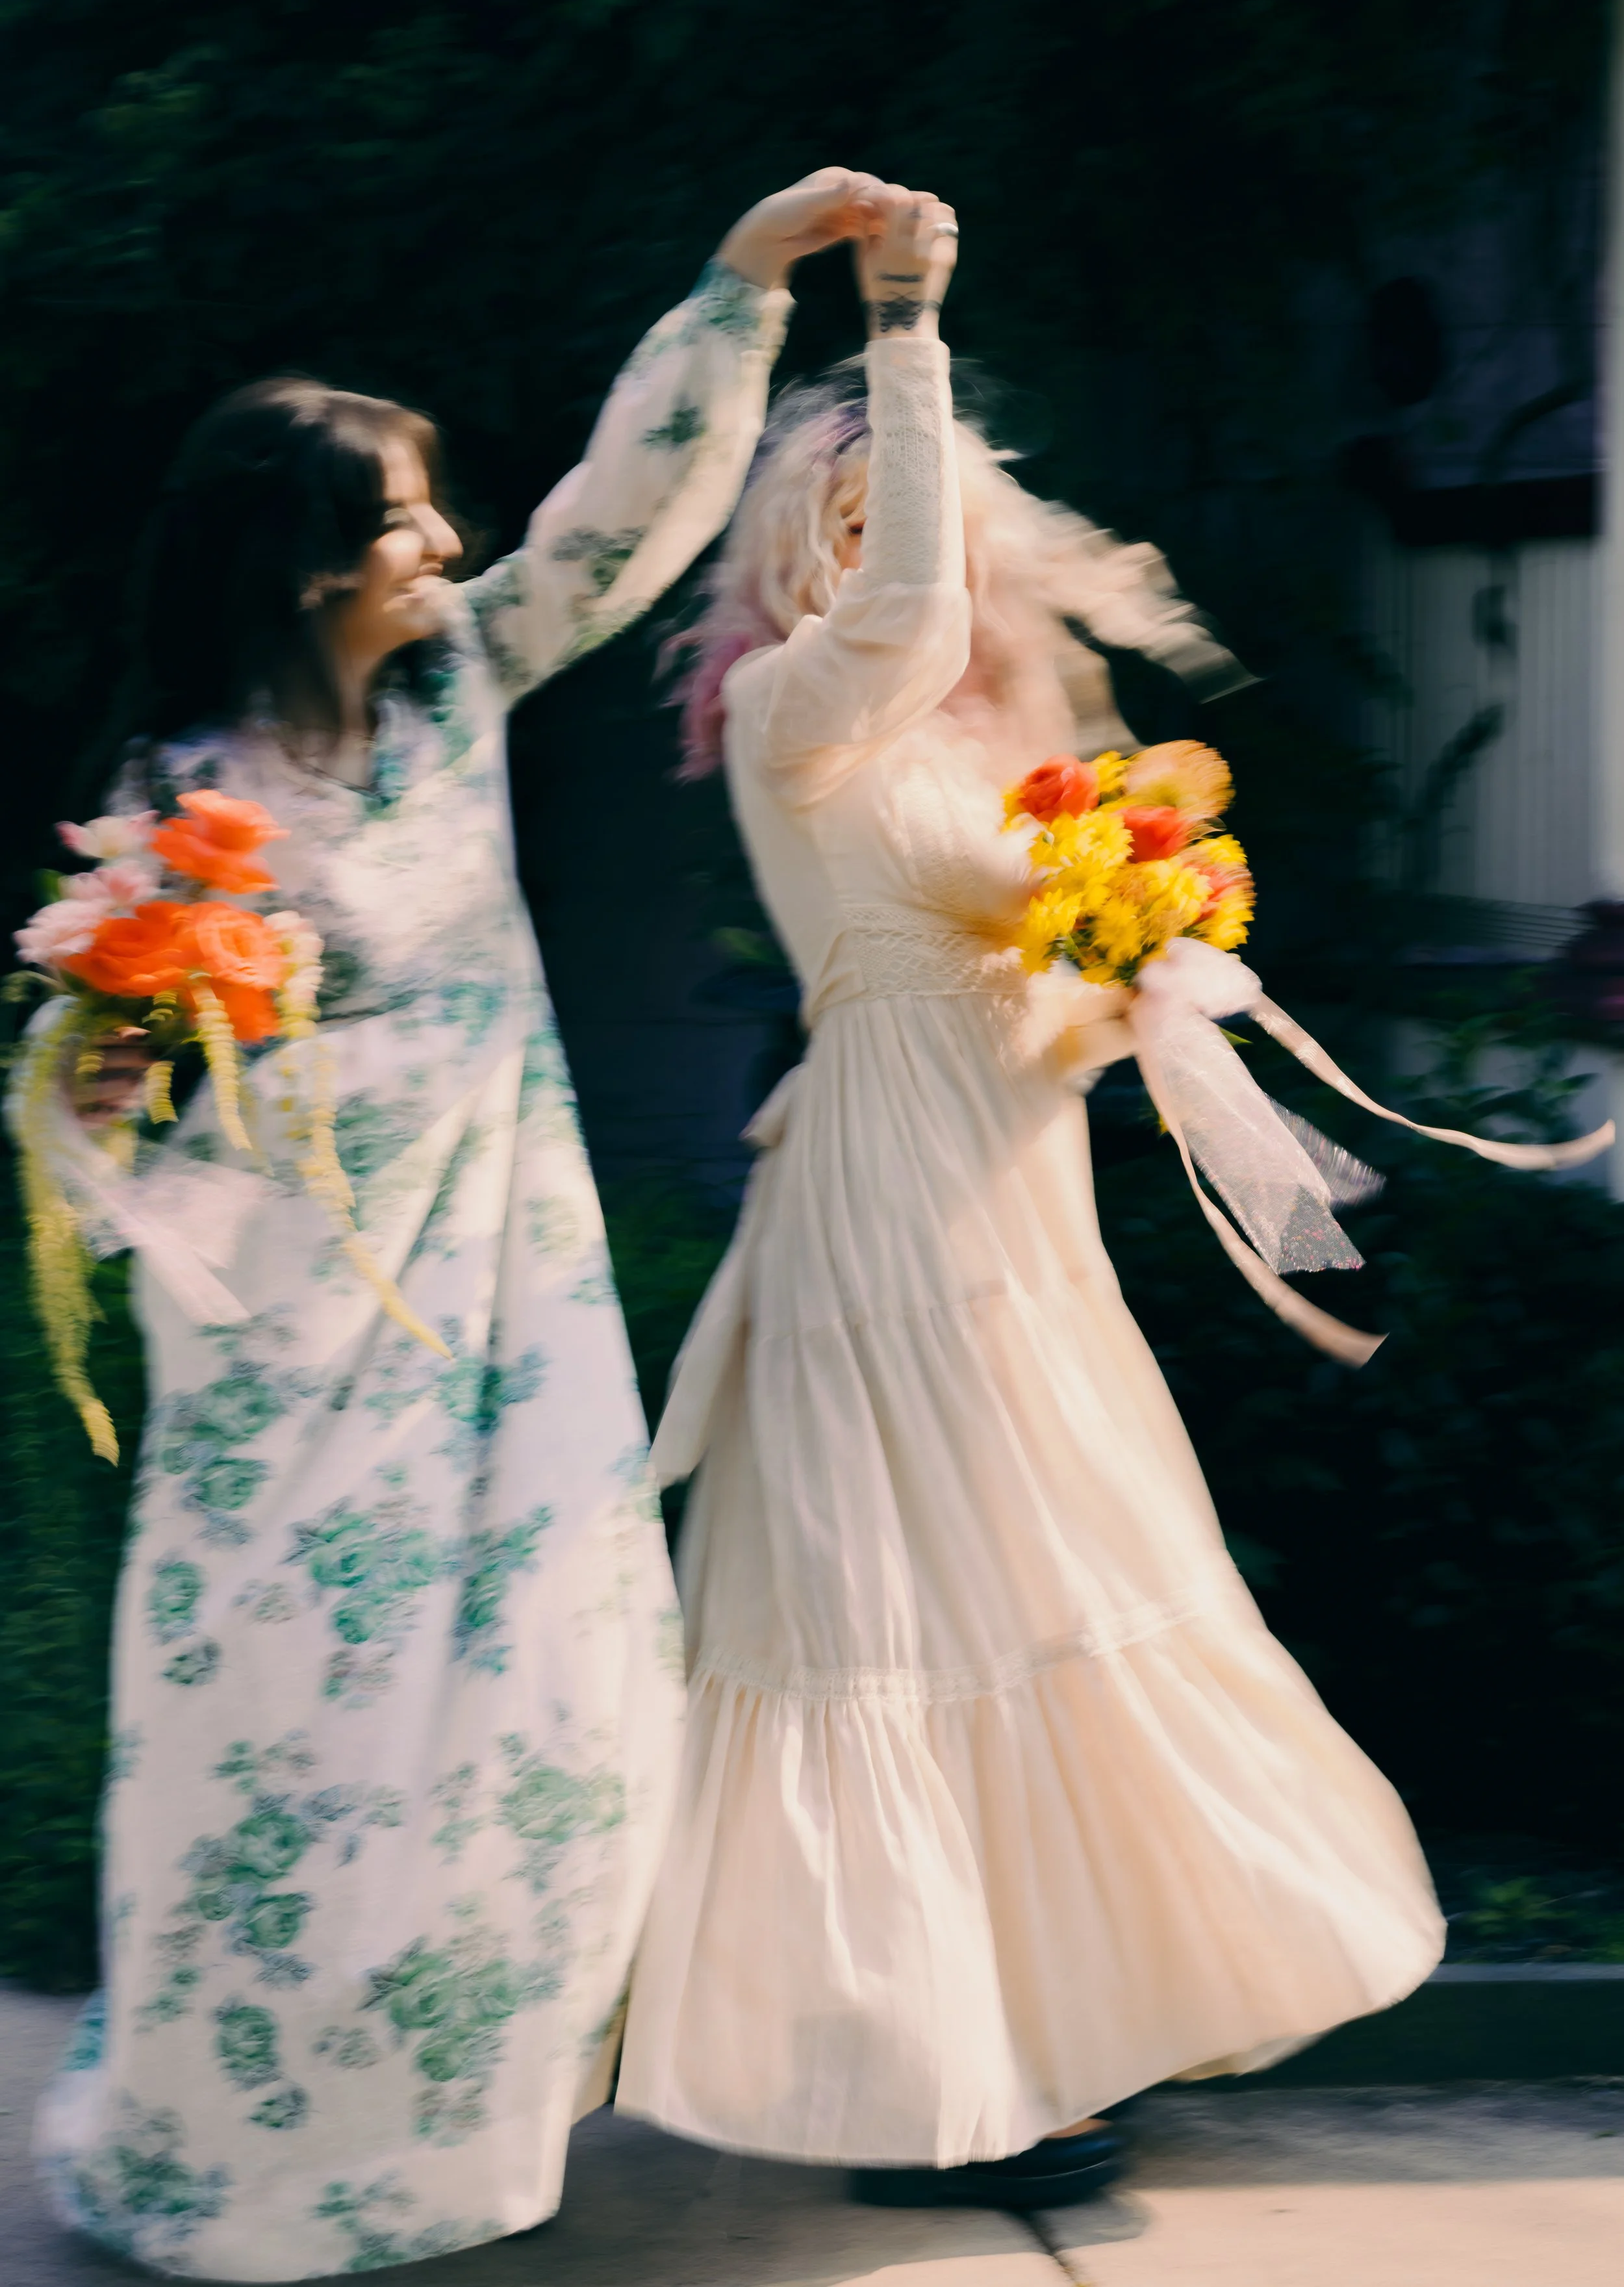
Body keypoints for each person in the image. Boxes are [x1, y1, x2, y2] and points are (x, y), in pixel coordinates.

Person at [19, 168, 876, 2281]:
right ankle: (230, 2145)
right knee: (287, 1734)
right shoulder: (180, 801)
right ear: (310, 559)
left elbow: (613, 514)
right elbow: (103, 1104)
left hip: (507, 1317)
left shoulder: (457, 695)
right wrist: (112, 1065)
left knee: (541, 1713)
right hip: (289, 1366)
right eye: (405, 516)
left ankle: (434, 2131)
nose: (447, 541)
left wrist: (741, 286)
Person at [616, 186, 1445, 2203]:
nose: (889, 558)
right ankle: (912, 2079)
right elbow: (901, 612)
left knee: (1038, 1591)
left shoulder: (1006, 759)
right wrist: (900, 328)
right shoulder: (803, 714)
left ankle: (1028, 2038)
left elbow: (1053, 975)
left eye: (900, 520)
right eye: (837, 530)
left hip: (1013, 1212)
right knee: (897, 1605)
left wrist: (1135, 954)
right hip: (887, 1214)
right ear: (794, 563)